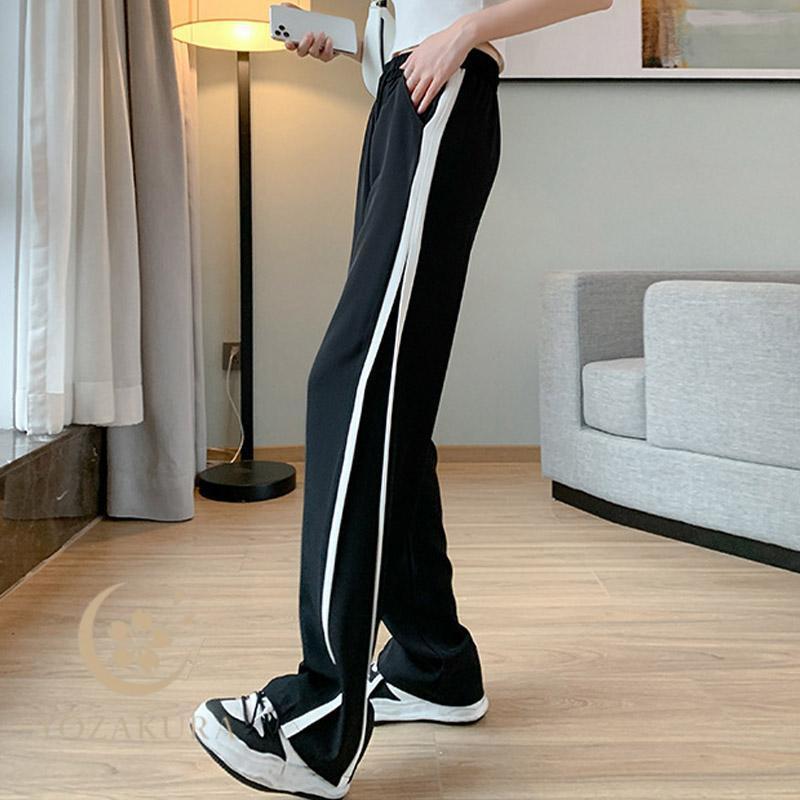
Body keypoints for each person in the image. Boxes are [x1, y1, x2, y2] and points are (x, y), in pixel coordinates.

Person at [191, 1, 613, 797]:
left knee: (353, 380)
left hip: (440, 86)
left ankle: (319, 718)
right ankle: (433, 662)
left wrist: (463, 33)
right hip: (401, 91)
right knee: (394, 400)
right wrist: (359, 42)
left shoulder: (458, 50)